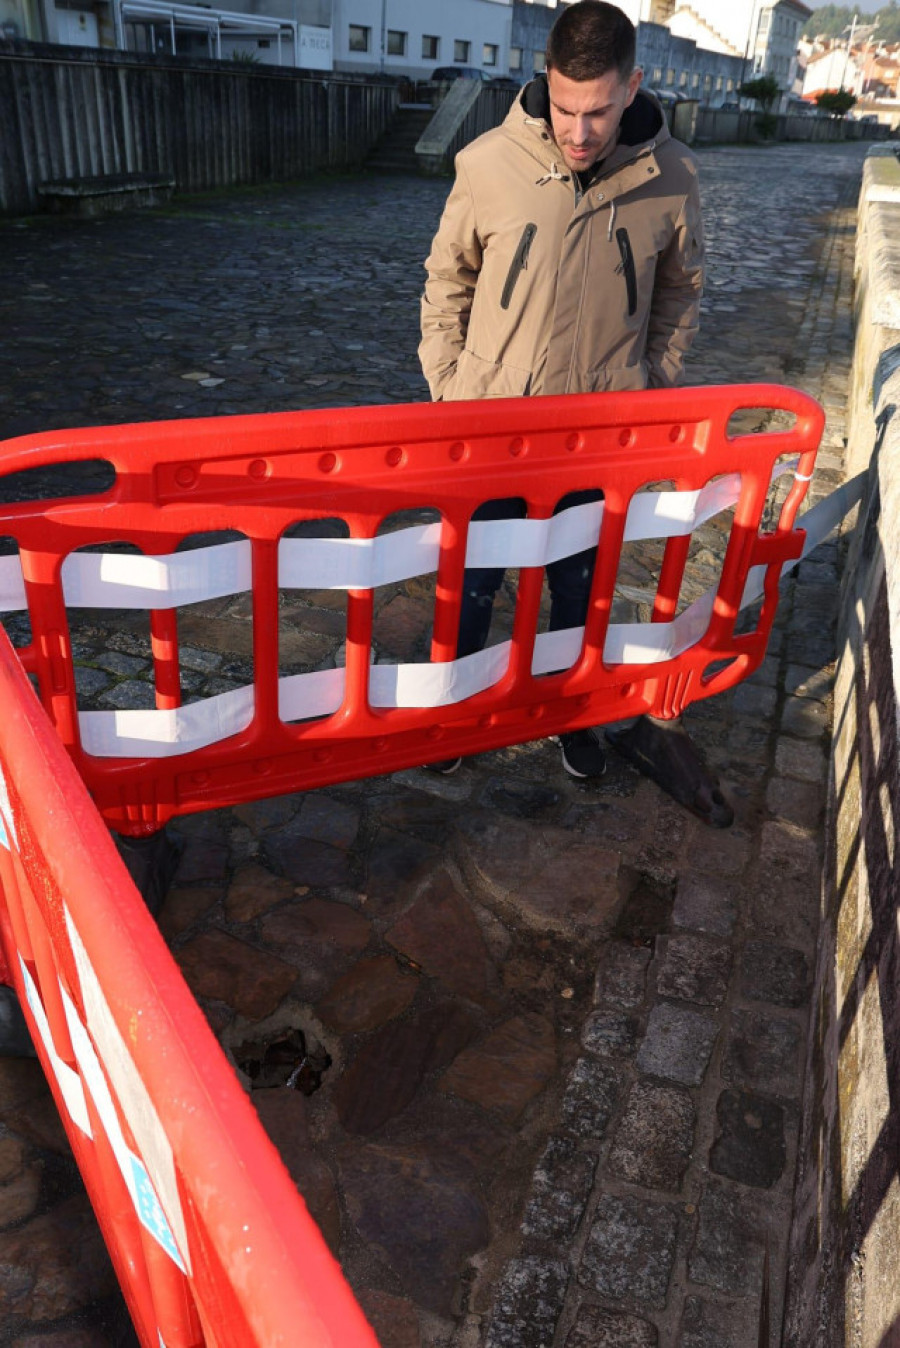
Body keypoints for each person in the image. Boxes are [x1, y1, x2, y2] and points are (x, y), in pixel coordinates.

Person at [418, 0, 732, 826]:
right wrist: (451, 388)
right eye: (564, 106)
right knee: (472, 581)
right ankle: (450, 706)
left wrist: (651, 385)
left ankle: (573, 714)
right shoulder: (487, 163)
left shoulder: (676, 177)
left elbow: (682, 292)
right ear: (545, 82)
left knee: (579, 586)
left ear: (633, 86)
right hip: (491, 428)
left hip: (599, 436)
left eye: (597, 109)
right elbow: (445, 281)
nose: (579, 129)